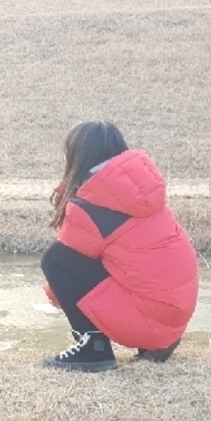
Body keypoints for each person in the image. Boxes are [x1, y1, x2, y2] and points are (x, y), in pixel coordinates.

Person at [41, 121, 199, 372]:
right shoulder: (140, 192)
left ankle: (92, 349)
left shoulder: (89, 205)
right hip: (172, 321)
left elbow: (66, 266)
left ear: (77, 157)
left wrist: (57, 295)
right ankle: (152, 344)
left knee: (54, 258)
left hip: (148, 323)